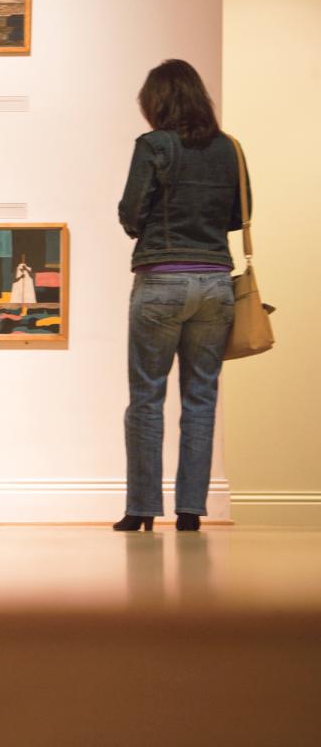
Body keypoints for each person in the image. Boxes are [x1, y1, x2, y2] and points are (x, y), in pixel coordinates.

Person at [114, 59, 250, 533]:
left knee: (147, 397)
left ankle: (142, 510)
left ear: (157, 102)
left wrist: (152, 226)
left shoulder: (153, 145)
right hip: (215, 283)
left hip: (161, 281)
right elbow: (236, 216)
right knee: (201, 397)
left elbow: (131, 213)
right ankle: (190, 512)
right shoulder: (230, 149)